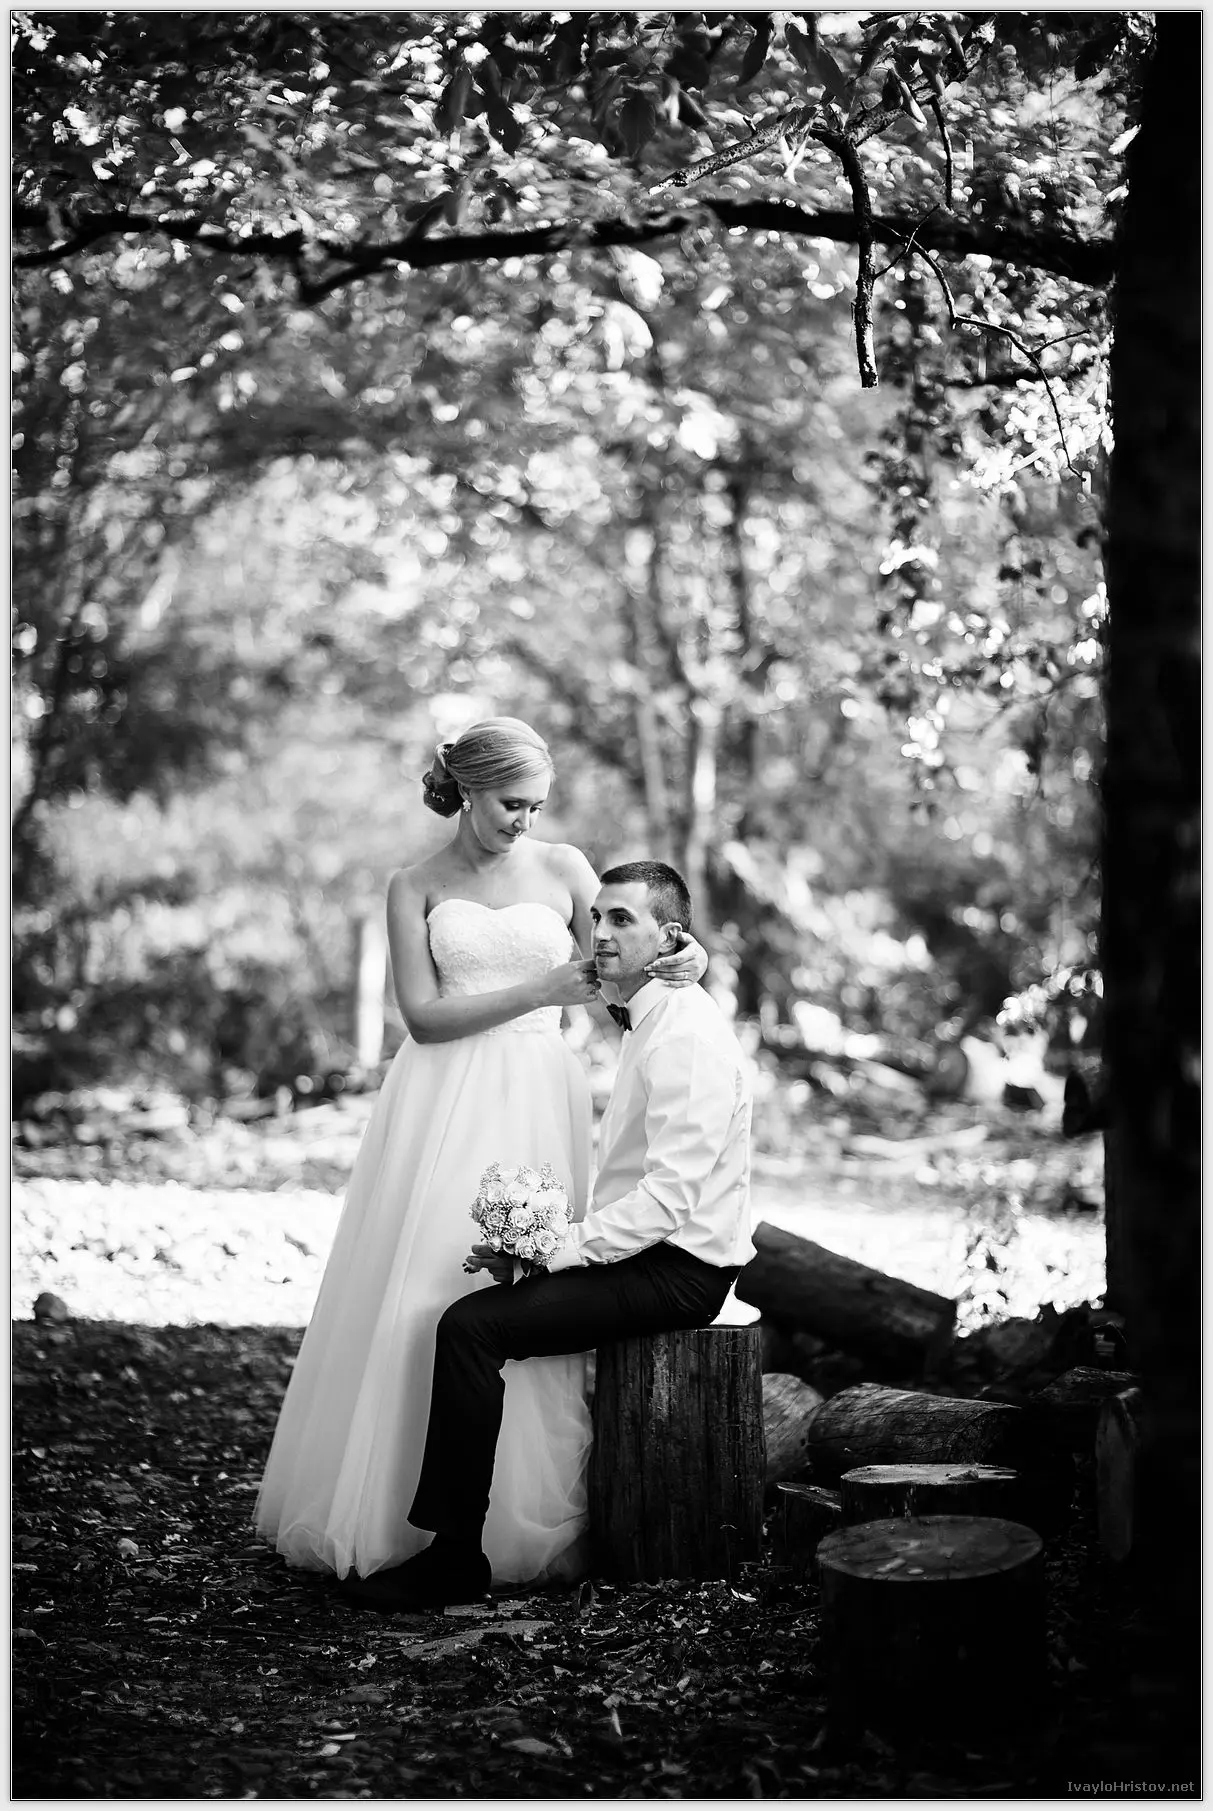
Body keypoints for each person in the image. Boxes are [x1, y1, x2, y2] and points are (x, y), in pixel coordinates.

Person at [253, 719, 707, 1588]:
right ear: (466, 789)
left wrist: (691, 955)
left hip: (537, 1092)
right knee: (423, 1276)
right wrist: (541, 987)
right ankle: (395, 1511)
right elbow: (422, 1017)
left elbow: (632, 958)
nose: (523, 821)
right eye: (509, 803)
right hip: (439, 1097)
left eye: (535, 805)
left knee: (521, 1279)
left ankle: (511, 1515)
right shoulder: (414, 884)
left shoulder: (566, 868)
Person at [340, 859, 756, 1615]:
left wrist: (553, 1249)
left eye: (621, 919)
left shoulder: (685, 1037)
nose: (600, 932)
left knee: (470, 1327)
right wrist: (540, 1252)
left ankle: (453, 1560)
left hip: (680, 1271)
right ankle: (455, 1549)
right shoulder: (655, 1013)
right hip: (648, 1253)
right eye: (596, 916)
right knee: (473, 1319)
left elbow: (668, 1200)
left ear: (668, 936)